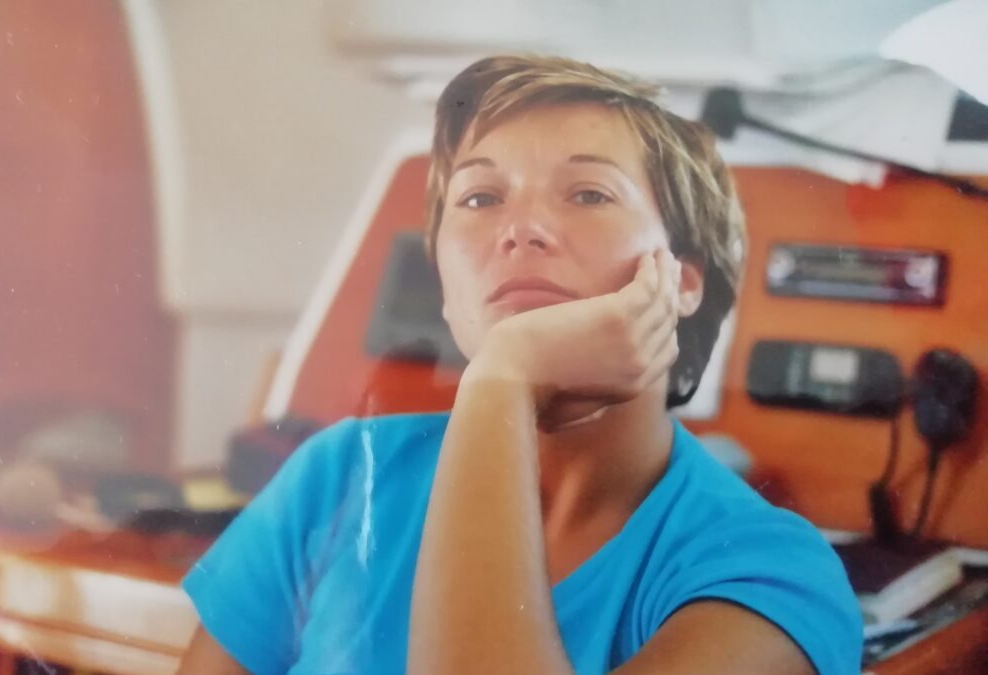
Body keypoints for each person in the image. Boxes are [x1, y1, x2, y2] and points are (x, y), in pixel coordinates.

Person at [177, 55, 862, 675]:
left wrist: (502, 376)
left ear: (682, 281)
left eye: (588, 193)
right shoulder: (338, 474)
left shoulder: (772, 573)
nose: (520, 228)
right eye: (480, 198)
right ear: (444, 286)